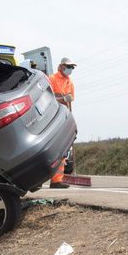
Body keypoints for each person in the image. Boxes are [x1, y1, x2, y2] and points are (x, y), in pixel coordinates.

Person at [48, 57, 76, 189]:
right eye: (68, 66)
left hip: (64, 118)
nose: (70, 69)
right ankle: (55, 180)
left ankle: (58, 180)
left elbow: (70, 102)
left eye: (72, 67)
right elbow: (47, 97)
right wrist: (62, 98)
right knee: (58, 148)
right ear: (61, 66)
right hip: (53, 117)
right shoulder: (52, 79)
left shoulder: (69, 82)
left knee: (64, 148)